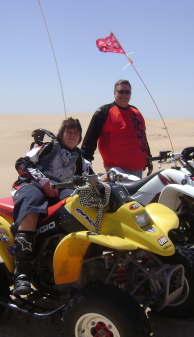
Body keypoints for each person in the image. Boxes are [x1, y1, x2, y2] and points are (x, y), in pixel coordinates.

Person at [10, 117, 93, 295]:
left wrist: (106, 178)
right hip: (32, 185)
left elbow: (91, 177)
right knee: (32, 205)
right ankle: (22, 272)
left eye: (76, 133)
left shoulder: (80, 158)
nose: (72, 135)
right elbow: (22, 163)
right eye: (69, 132)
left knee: (79, 203)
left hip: (61, 190)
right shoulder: (47, 147)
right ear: (61, 134)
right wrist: (43, 180)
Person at [81, 79, 153, 179]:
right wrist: (85, 162)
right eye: (121, 91)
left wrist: (148, 159)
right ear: (115, 92)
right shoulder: (104, 111)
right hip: (116, 170)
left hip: (138, 168)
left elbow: (142, 138)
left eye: (127, 92)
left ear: (130, 94)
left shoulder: (136, 112)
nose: (124, 94)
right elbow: (90, 138)